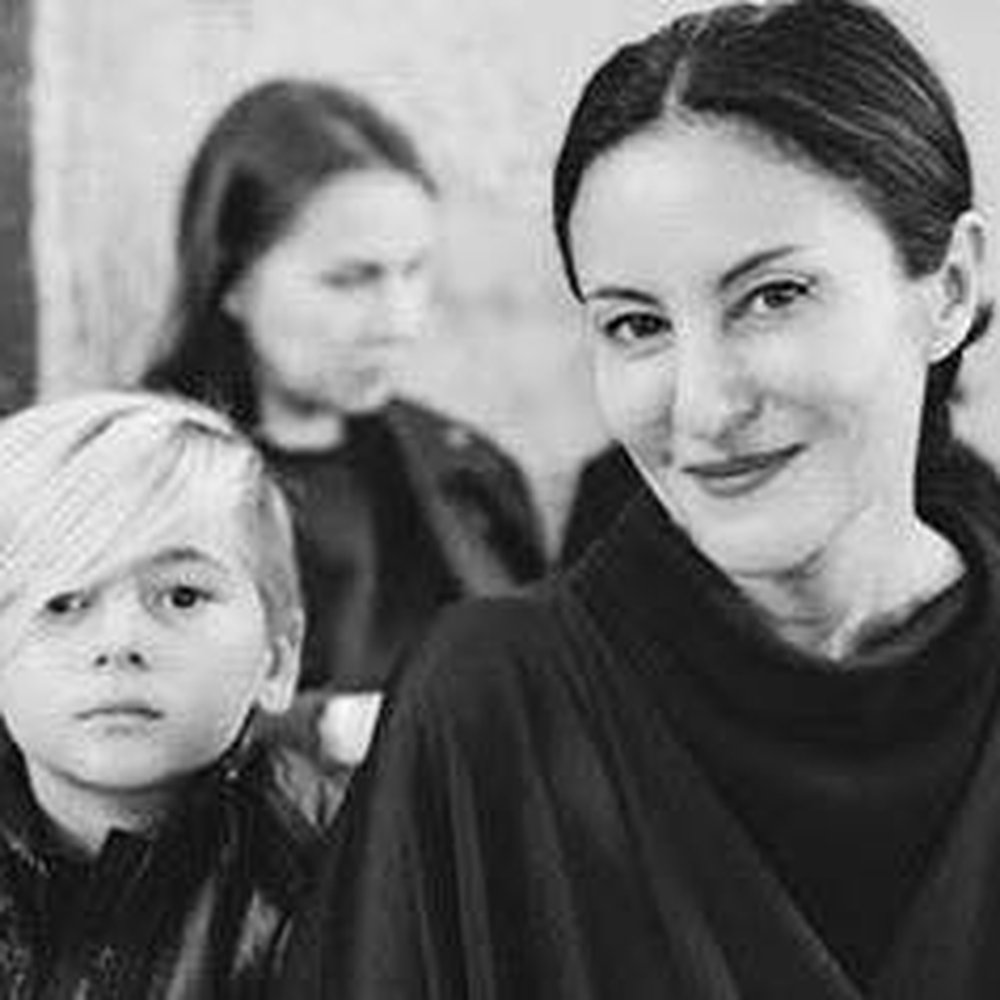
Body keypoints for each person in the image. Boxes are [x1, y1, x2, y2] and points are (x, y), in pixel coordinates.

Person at [276, 1, 1000, 996]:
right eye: (636, 325)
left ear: (950, 288)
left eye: (774, 296)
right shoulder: (488, 708)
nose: (702, 405)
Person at [143, 79, 547, 771]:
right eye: (349, 279)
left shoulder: (471, 473)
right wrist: (323, 729)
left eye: (413, 271)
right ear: (232, 280)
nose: (398, 320)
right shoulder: (129, 481)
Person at [0, 391, 341, 997]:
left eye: (182, 596)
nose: (119, 643)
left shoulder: (342, 874)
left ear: (278, 656)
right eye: (63, 602)